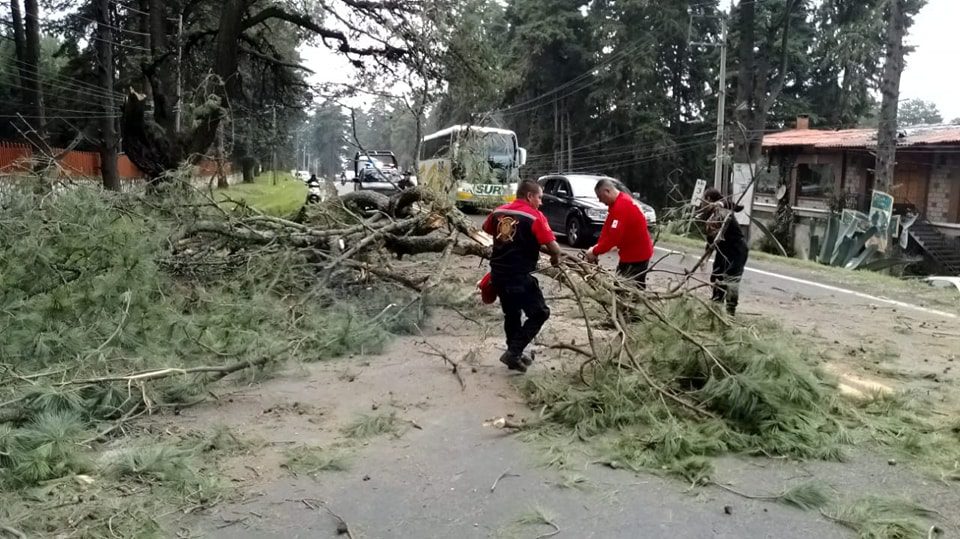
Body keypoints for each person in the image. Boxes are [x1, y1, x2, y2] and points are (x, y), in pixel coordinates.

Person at [482, 180, 562, 373]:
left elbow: (487, 230)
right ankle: (514, 352)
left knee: (512, 314)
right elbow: (554, 247)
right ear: (529, 196)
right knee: (540, 313)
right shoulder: (534, 216)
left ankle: (514, 354)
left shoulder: (498, 212)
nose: (541, 203)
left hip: (498, 275)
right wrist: (555, 258)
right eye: (539, 198)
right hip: (518, 276)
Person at [584, 179, 654, 288]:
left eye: (600, 197)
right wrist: (596, 248)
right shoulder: (616, 203)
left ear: (607, 191)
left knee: (627, 289)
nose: (600, 201)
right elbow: (607, 229)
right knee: (620, 286)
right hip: (630, 254)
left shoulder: (622, 206)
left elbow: (613, 238)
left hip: (637, 256)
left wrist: (595, 251)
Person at [699, 187, 749, 315]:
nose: (702, 203)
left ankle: (730, 313)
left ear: (709, 199)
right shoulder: (709, 216)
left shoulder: (724, 211)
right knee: (717, 275)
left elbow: (738, 206)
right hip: (723, 250)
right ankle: (715, 309)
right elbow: (711, 241)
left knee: (731, 279)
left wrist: (720, 203)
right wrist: (705, 259)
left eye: (704, 199)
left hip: (736, 250)